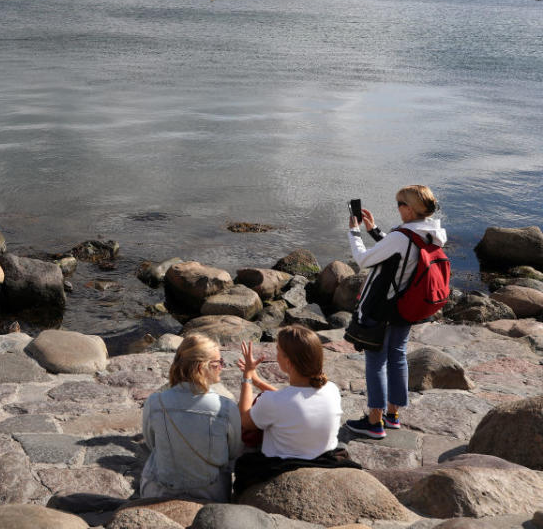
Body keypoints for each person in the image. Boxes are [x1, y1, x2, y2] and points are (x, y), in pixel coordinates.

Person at [344, 185, 446, 439]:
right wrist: (374, 231)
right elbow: (402, 255)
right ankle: (393, 415)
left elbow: (364, 259)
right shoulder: (432, 232)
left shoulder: (402, 236)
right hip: (407, 306)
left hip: (384, 306)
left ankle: (374, 422)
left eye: (399, 204)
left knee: (376, 361)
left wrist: (353, 232)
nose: (397, 208)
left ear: (410, 209)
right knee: (398, 357)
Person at [235, 325, 351, 497]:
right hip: (324, 458)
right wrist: (258, 381)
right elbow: (293, 403)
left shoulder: (274, 402)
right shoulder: (331, 389)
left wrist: (247, 378)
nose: (276, 354)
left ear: (288, 362)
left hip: (280, 464)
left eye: (278, 350)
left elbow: (244, 420)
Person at [140, 334, 243, 502]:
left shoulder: (154, 402)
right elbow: (233, 451)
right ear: (201, 368)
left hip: (159, 491)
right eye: (218, 363)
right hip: (211, 493)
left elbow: (152, 444)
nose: (222, 367)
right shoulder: (225, 407)